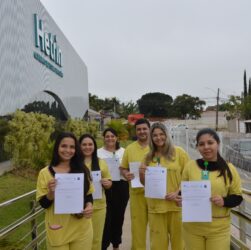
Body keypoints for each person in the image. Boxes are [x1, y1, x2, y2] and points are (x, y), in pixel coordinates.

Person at [181, 128, 243, 250]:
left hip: (218, 229)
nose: (206, 147)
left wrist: (224, 201)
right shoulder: (190, 166)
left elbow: (238, 197)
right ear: (197, 147)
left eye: (210, 142)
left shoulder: (229, 169)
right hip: (192, 228)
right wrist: (179, 198)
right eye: (201, 144)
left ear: (218, 144)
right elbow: (183, 191)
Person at [36, 132, 94, 250]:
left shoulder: (82, 169)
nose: (68, 150)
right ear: (57, 147)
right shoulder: (45, 173)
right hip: (58, 229)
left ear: (76, 149)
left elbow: (88, 195)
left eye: (72, 147)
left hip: (82, 229)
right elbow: (43, 204)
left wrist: (89, 206)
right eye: (64, 146)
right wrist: (51, 193)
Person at [139, 122, 190, 250]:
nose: (158, 137)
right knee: (157, 245)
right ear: (151, 138)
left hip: (176, 207)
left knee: (179, 244)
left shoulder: (179, 153)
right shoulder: (147, 157)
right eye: (155, 135)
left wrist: (178, 192)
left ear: (167, 135)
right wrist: (141, 173)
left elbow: (189, 178)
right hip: (156, 208)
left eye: (161, 134)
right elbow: (145, 183)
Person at [120, 118, 150, 250]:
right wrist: (126, 174)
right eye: (139, 129)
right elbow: (123, 167)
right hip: (137, 195)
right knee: (138, 227)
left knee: (158, 228)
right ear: (135, 131)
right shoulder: (130, 149)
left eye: (144, 129)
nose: (142, 131)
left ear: (149, 130)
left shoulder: (157, 147)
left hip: (155, 195)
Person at [98, 128, 129, 250]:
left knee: (118, 217)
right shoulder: (98, 153)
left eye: (112, 136)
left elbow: (128, 168)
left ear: (116, 138)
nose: (110, 138)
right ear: (104, 138)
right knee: (105, 217)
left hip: (121, 186)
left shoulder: (124, 152)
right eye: (107, 136)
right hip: (104, 187)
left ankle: (116, 244)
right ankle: (103, 245)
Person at [79, 133, 112, 250]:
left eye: (90, 144)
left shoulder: (101, 162)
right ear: (79, 146)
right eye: (84, 144)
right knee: (81, 239)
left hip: (99, 207)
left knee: (96, 239)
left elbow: (109, 181)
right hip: (80, 208)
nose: (87, 147)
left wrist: (108, 183)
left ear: (94, 146)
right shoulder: (74, 163)